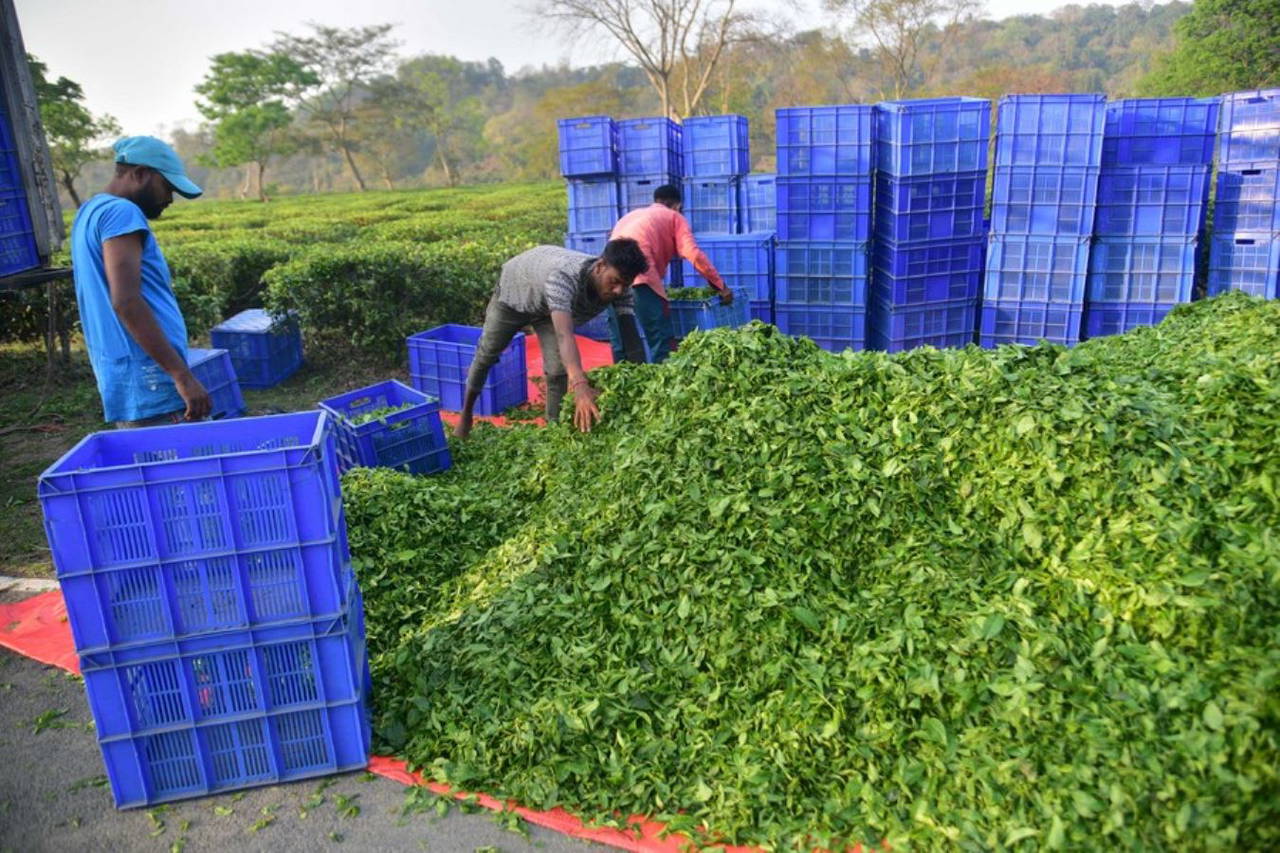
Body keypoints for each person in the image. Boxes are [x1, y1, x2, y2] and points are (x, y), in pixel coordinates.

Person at [70, 136, 210, 428]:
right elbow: (126, 301)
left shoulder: (89, 211)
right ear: (141, 173)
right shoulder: (122, 213)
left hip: (129, 376)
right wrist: (181, 375)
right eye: (167, 187)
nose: (169, 199)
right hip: (151, 376)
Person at [455, 239, 649, 438]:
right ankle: (466, 414)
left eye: (624, 285)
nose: (618, 290)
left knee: (557, 370)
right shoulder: (564, 277)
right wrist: (580, 386)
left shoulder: (622, 291)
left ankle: (553, 431)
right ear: (600, 266)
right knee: (487, 353)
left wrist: (643, 381)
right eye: (614, 281)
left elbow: (631, 338)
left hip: (551, 310)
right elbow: (565, 336)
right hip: (516, 294)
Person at [607, 183, 732, 364]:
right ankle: (663, 384)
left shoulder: (631, 216)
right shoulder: (674, 217)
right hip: (641, 276)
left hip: (610, 276)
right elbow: (693, 253)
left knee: (621, 338)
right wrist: (720, 285)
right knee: (660, 337)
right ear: (677, 205)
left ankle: (621, 382)